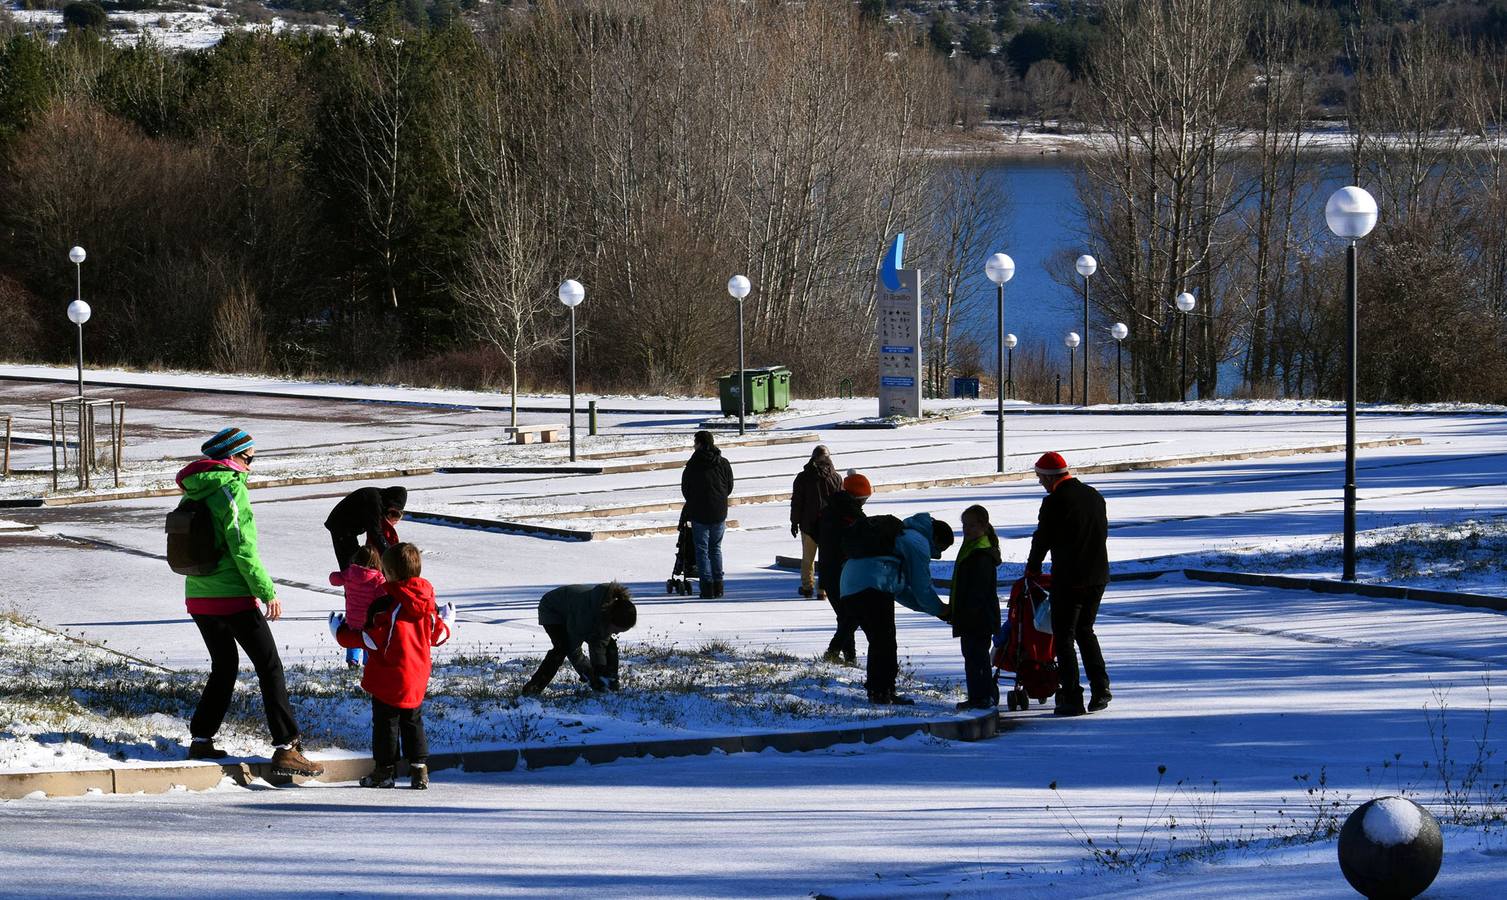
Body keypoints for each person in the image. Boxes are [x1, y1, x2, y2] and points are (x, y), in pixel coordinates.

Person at [176, 427, 324, 777]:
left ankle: (201, 739)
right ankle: (287, 748)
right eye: (248, 458)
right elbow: (243, 548)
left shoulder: (194, 492)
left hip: (198, 595)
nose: (251, 465)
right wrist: (267, 590)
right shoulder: (230, 490)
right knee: (269, 667)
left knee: (224, 667)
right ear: (230, 458)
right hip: (233, 596)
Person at [332, 542, 453, 790]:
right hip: (416, 676)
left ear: (390, 573)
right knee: (413, 720)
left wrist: (340, 632)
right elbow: (437, 636)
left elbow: (371, 640)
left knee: (386, 723)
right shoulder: (427, 604)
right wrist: (448, 621)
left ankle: (384, 771)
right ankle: (419, 769)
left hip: (389, 675)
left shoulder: (387, 606)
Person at [1025, 451, 1111, 717]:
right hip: (1097, 576)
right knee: (1086, 631)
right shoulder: (1094, 495)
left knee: (1064, 637)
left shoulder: (1054, 502)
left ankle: (1072, 698)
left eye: (1040, 478)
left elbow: (1043, 538)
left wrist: (1033, 568)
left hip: (1070, 579)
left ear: (1050, 478)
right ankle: (1101, 689)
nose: (1040, 483)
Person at [840, 512, 954, 705]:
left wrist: (935, 611)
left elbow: (901, 591)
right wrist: (942, 610)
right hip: (872, 585)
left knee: (880, 640)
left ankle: (880, 689)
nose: (938, 553)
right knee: (884, 641)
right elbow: (921, 587)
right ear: (935, 537)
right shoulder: (918, 542)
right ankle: (881, 692)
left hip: (850, 586)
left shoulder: (902, 535)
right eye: (940, 548)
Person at [520, 583, 638, 695]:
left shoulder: (607, 612)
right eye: (616, 629)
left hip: (574, 611)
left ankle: (611, 682)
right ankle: (532, 690)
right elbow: (574, 649)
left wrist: (600, 671)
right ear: (610, 620)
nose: (616, 633)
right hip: (552, 609)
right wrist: (588, 673)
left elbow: (599, 644)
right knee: (562, 647)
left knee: (609, 644)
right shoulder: (585, 616)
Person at [816, 470, 873, 665]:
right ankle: (834, 652)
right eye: (865, 499)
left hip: (827, 568)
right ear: (858, 498)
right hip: (843, 571)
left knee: (845, 615)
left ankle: (850, 658)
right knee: (851, 615)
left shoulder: (830, 508)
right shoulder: (850, 516)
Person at [949, 504, 1002, 710]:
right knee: (972, 656)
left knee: (976, 657)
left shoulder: (981, 554)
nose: (967, 529)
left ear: (983, 525)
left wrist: (966, 613)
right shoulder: (972, 548)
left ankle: (981, 697)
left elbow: (978, 591)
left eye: (972, 525)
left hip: (978, 617)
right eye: (964, 525)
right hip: (970, 615)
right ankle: (980, 695)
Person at [681, 430, 734, 599]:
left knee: (702, 550)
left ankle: (707, 587)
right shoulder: (723, 462)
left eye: (695, 442)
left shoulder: (693, 464)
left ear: (701, 444)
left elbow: (686, 489)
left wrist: (694, 502)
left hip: (699, 512)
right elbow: (729, 486)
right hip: (719, 511)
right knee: (715, 549)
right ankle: (719, 586)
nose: (693, 446)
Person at [790, 445, 842, 599]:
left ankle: (807, 587)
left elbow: (797, 503)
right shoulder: (836, 478)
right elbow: (841, 503)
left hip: (809, 524)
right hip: (829, 525)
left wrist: (794, 522)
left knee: (808, 559)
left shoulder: (803, 477)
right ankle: (822, 590)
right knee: (826, 559)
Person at [325, 485, 407, 570]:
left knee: (355, 559)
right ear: (391, 501)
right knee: (349, 560)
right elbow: (375, 532)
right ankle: (350, 579)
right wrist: (388, 554)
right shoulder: (374, 501)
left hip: (349, 528)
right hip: (340, 526)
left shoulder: (381, 498)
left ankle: (355, 577)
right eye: (393, 509)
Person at [329, 545, 385, 668]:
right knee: (368, 641)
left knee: (352, 639)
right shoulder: (377, 578)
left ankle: (352, 661)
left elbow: (334, 579)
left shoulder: (350, 573)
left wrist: (335, 575)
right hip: (369, 621)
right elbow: (384, 596)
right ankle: (368, 662)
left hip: (352, 619)